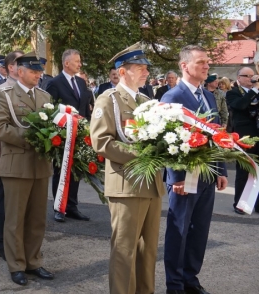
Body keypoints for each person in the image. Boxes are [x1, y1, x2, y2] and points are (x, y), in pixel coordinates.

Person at [90, 43, 166, 294]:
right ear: (122, 71)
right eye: (140, 68)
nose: (145, 72)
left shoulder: (145, 99)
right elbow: (101, 141)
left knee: (148, 248)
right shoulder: (108, 99)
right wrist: (142, 156)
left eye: (146, 68)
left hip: (151, 183)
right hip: (126, 183)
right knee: (125, 250)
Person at [161, 45, 228, 294]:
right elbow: (166, 142)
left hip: (207, 176)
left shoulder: (208, 95)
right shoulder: (172, 97)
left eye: (207, 62)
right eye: (201, 62)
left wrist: (221, 170)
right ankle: (175, 285)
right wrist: (176, 177)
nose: (206, 66)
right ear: (184, 65)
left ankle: (190, 279)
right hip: (184, 177)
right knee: (179, 230)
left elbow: (218, 135)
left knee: (199, 230)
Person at [0, 52, 54, 286]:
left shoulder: (45, 96)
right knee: (15, 219)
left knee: (37, 218)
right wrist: (33, 137)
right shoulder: (4, 94)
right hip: (16, 163)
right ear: (19, 71)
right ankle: (16, 265)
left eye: (40, 71)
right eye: (34, 71)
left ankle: (34, 261)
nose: (39, 74)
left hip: (40, 165)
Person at [45, 49, 92, 222]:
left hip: (79, 134)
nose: (80, 64)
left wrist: (87, 127)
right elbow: (49, 109)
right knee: (61, 170)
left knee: (76, 170)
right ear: (66, 63)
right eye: (77, 61)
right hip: (63, 135)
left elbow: (85, 107)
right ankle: (59, 207)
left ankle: (72, 206)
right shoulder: (54, 83)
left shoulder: (80, 82)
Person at [0, 50, 24, 261]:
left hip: (27, 158)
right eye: (21, 62)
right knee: (6, 201)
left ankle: (20, 243)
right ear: (11, 67)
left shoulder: (30, 89)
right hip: (8, 155)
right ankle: (2, 244)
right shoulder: (2, 90)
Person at [226, 67, 259, 215]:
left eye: (253, 76)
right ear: (238, 78)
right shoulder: (233, 93)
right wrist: (255, 90)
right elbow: (240, 105)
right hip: (244, 136)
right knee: (244, 171)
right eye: (247, 76)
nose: (251, 79)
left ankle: (257, 204)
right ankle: (240, 203)